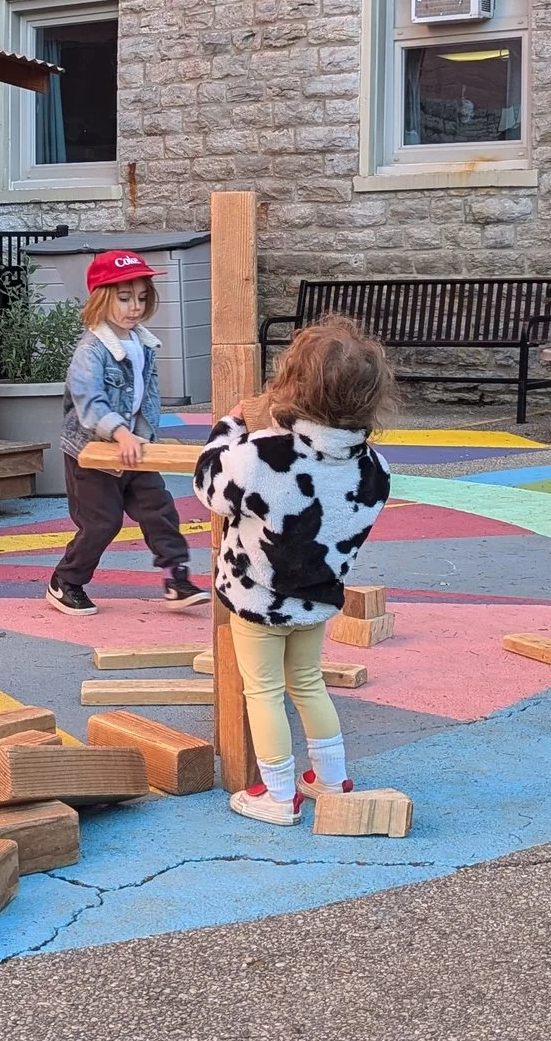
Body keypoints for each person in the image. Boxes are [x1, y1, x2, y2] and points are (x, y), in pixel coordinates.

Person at [193, 314, 393, 825]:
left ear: (292, 384)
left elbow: (209, 483)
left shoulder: (262, 454)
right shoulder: (373, 467)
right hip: (318, 596)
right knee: (307, 683)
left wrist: (230, 425)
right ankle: (331, 778)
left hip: (257, 595)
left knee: (262, 691)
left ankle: (278, 794)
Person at [46, 250, 207, 616]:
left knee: (159, 510)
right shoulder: (91, 351)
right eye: (124, 298)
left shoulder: (142, 343)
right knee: (102, 522)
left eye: (141, 297)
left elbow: (142, 398)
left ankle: (175, 577)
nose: (134, 307)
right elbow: (90, 403)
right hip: (93, 452)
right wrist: (120, 434)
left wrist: (142, 435)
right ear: (101, 299)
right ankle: (66, 581)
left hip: (134, 447)